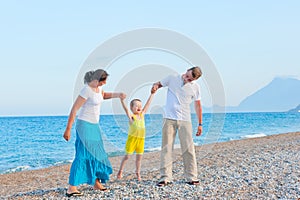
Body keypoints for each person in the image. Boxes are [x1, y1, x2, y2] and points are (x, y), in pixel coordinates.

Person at [63, 69, 126, 197]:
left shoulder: (98, 89)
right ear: (97, 80)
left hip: (95, 126)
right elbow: (74, 109)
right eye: (103, 81)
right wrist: (68, 129)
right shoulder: (86, 90)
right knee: (82, 154)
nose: (105, 83)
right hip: (84, 125)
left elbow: (103, 95)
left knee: (97, 154)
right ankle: (71, 187)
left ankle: (96, 182)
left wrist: (117, 94)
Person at [151, 66, 203, 186]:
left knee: (189, 149)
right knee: (167, 148)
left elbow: (198, 106)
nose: (186, 79)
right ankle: (165, 177)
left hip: (185, 120)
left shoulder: (195, 87)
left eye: (190, 79)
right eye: (186, 75)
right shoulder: (172, 78)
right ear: (186, 71)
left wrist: (200, 124)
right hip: (169, 119)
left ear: (194, 80)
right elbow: (158, 84)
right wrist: (155, 86)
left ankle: (191, 176)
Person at [117, 90, 155, 181]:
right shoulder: (131, 117)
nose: (139, 107)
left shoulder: (142, 115)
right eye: (136, 106)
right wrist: (122, 100)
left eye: (140, 106)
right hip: (132, 140)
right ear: (132, 107)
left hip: (141, 140)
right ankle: (120, 171)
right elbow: (126, 109)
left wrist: (152, 94)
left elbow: (147, 104)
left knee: (139, 158)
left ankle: (138, 174)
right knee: (127, 156)